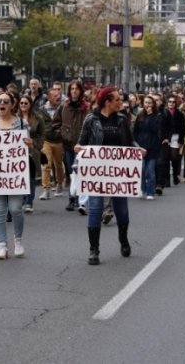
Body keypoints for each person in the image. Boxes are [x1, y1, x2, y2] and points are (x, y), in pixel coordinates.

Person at [76, 87, 140, 265]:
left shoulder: (122, 119)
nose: (121, 102)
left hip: (119, 172)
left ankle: (123, 238)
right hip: (97, 172)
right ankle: (94, 249)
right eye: (118, 100)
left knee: (121, 210)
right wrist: (78, 148)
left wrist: (138, 148)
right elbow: (82, 142)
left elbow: (130, 141)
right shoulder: (91, 120)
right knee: (95, 209)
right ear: (107, 102)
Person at [0, 92, 33, 259]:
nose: (1, 104)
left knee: (15, 208)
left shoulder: (21, 123)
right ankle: (2, 245)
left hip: (15, 175)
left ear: (12, 104)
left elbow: (28, 147)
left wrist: (29, 144)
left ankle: (18, 240)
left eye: (5, 101)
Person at [52, 79, 90, 212]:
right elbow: (55, 123)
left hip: (82, 146)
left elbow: (92, 125)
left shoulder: (86, 108)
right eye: (72, 89)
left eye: (77, 89)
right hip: (68, 145)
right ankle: (73, 198)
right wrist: (62, 133)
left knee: (79, 171)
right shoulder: (64, 106)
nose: (74, 91)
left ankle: (77, 200)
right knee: (71, 172)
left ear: (80, 91)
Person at [18, 94, 45, 213]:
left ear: (30, 105)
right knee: (20, 176)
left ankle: (29, 201)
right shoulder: (14, 118)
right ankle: (22, 197)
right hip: (17, 152)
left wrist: (34, 143)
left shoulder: (38, 118)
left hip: (32, 151)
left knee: (31, 177)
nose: (23, 105)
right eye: (21, 103)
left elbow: (42, 134)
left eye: (26, 103)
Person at [38, 88, 65, 200]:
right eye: (54, 96)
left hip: (59, 141)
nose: (57, 97)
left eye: (58, 95)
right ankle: (46, 189)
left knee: (58, 165)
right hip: (46, 141)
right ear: (48, 97)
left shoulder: (63, 108)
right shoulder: (41, 110)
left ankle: (59, 184)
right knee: (46, 165)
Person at [133, 95, 161, 200]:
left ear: (153, 104)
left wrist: (150, 116)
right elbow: (135, 131)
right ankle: (142, 189)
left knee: (150, 170)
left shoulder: (157, 116)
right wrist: (135, 145)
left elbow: (156, 130)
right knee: (141, 169)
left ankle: (150, 192)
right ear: (143, 103)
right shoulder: (139, 115)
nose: (148, 105)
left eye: (150, 103)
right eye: (146, 103)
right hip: (141, 147)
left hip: (153, 147)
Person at [157, 95, 185, 193]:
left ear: (176, 103)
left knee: (175, 158)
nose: (171, 103)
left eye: (173, 102)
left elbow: (183, 128)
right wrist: (163, 138)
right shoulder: (163, 113)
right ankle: (166, 181)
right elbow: (161, 127)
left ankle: (175, 176)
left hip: (175, 138)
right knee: (165, 160)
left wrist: (181, 141)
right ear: (167, 103)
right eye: (169, 101)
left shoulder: (180, 114)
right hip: (165, 139)